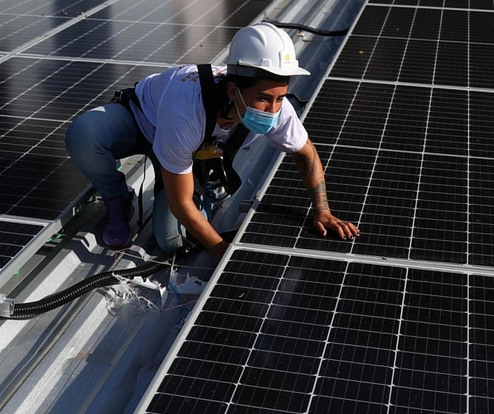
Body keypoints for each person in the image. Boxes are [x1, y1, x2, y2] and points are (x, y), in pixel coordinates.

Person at [64, 23, 359, 256]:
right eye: (263, 99)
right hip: (143, 122)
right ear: (233, 91)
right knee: (84, 135)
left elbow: (306, 155)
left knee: (170, 240)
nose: (273, 109)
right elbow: (181, 202)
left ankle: (205, 189)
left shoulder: (279, 110)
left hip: (190, 149)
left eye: (280, 97)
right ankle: (117, 198)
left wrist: (322, 210)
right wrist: (221, 251)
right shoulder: (187, 108)